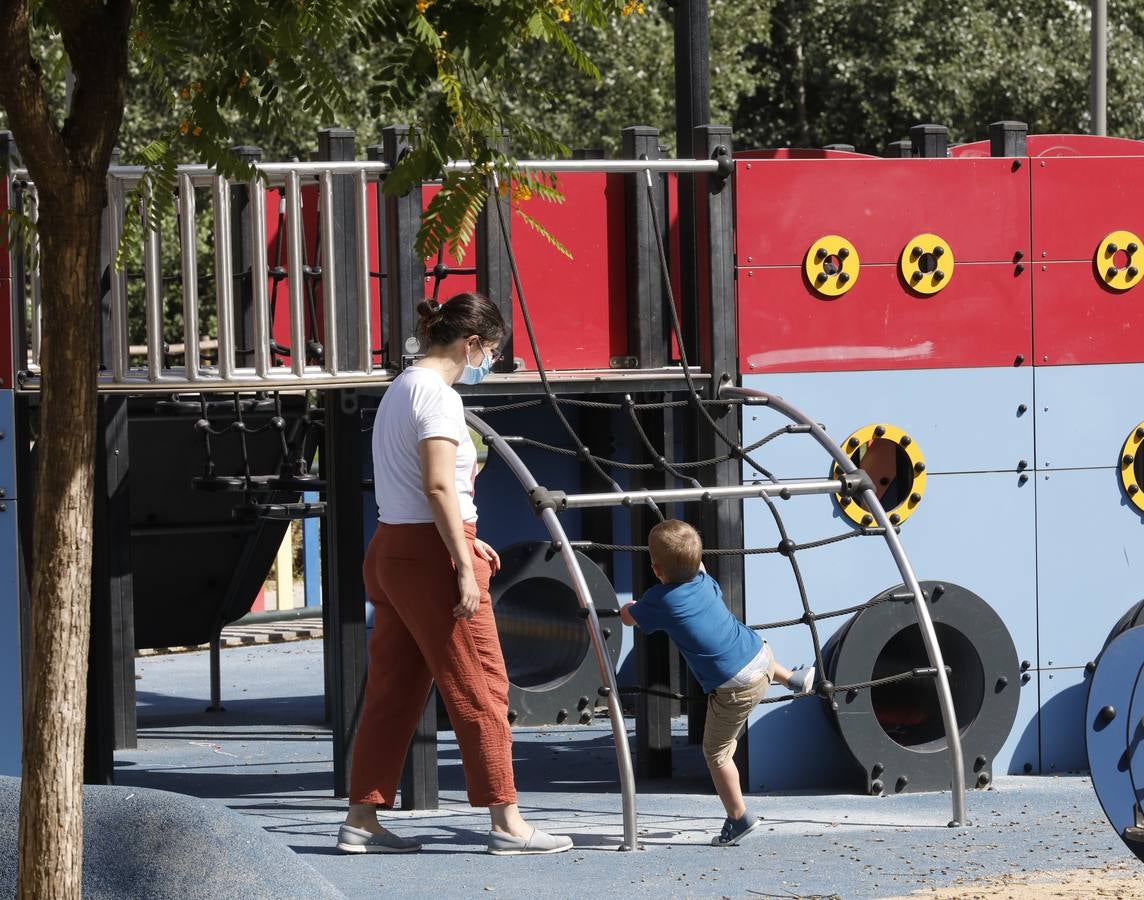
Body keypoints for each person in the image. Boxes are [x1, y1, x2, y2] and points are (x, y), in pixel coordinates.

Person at [337, 291, 573, 856]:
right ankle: (507, 822)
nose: (488, 362)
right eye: (490, 351)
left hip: (392, 545)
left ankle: (361, 818)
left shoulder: (400, 387)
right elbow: (440, 485)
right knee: (484, 686)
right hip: (431, 557)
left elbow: (424, 495)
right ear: (471, 345)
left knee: (392, 691)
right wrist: (463, 563)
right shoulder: (440, 400)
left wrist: (465, 536)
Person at [620, 519, 816, 847]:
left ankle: (738, 817)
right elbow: (697, 566)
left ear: (656, 569)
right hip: (761, 655)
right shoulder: (704, 581)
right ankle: (792, 678)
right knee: (751, 650)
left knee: (716, 752)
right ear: (699, 561)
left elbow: (630, 617)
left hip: (735, 686)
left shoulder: (660, 601)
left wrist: (626, 607)